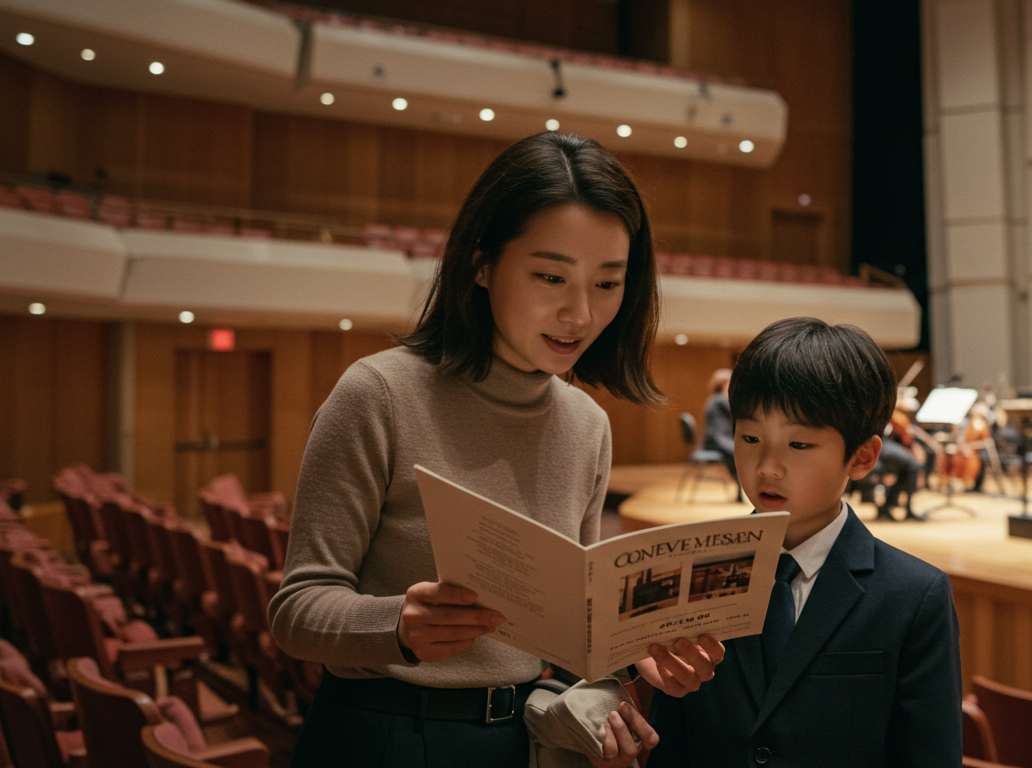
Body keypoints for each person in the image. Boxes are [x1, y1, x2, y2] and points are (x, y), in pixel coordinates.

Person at [269, 132, 718, 768]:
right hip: (386, 732)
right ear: (482, 263)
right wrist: (398, 624)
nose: (580, 313)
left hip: (520, 740)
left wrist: (637, 655)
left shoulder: (587, 423)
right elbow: (296, 609)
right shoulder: (380, 394)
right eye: (551, 276)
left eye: (608, 283)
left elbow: (570, 629)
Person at [646, 317, 963, 767]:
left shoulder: (914, 595)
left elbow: (929, 756)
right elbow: (672, 743)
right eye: (750, 437)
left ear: (862, 457)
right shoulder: (694, 569)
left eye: (798, 445)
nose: (767, 467)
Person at [702, 368, 743, 501]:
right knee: (740, 455)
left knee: (740, 455)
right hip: (716, 442)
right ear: (723, 384)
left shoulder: (715, 399)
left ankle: (740, 492)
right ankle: (740, 492)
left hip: (719, 440)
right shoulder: (719, 400)